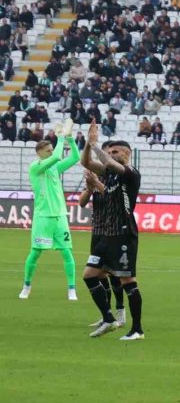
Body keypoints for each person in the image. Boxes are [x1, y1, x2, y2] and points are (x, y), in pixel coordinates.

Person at [79, 123, 145, 340]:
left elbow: (106, 163)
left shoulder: (130, 173)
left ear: (127, 154)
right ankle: (108, 318)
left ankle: (137, 330)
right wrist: (89, 145)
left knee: (128, 281)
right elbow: (85, 162)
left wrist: (95, 142)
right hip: (106, 235)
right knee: (89, 275)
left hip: (124, 234)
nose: (111, 154)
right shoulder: (111, 175)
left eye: (115, 151)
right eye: (109, 151)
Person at [19, 118, 80, 301]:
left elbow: (76, 158)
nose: (52, 153)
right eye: (48, 150)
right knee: (35, 252)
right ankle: (26, 286)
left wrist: (69, 138)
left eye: (52, 149)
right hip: (42, 217)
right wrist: (60, 139)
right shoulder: (35, 167)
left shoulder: (54, 167)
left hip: (59, 216)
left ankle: (71, 289)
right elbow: (55, 158)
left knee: (67, 252)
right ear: (39, 153)